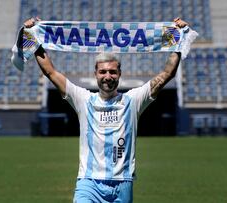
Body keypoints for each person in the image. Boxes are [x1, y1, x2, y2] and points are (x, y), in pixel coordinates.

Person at [23, 17, 189, 203]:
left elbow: (167, 74)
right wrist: (34, 38)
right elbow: (50, 72)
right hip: (89, 183)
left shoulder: (132, 100)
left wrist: (178, 39)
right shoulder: (83, 99)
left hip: (122, 184)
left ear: (119, 74)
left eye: (112, 72)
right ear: (95, 74)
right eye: (103, 72)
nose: (107, 76)